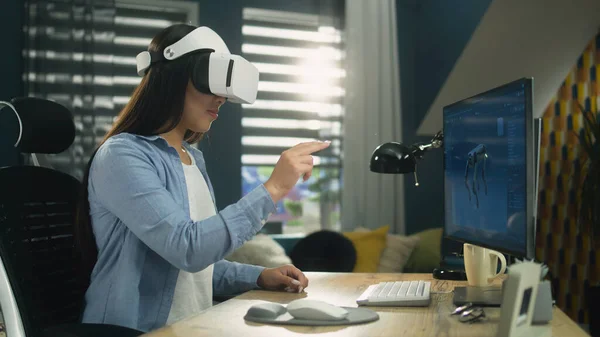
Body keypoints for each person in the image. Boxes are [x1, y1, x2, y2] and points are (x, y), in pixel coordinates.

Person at [75, 23, 330, 332]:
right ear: (174, 77)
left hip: (192, 327)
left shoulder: (192, 157)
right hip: (135, 331)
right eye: (209, 81)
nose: (220, 98)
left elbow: (190, 270)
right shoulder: (122, 156)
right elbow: (188, 249)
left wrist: (259, 276)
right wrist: (274, 187)